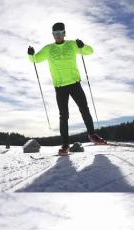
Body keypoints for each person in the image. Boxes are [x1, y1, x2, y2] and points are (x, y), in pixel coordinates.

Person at [28, 22, 106, 155]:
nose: (57, 36)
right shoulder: (48, 49)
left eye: (60, 33)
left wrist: (83, 45)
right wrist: (31, 54)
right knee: (63, 116)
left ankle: (92, 135)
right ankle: (65, 144)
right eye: (55, 34)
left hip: (75, 84)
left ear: (64, 33)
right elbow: (35, 60)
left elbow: (90, 51)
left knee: (84, 109)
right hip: (60, 87)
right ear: (52, 35)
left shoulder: (72, 44)